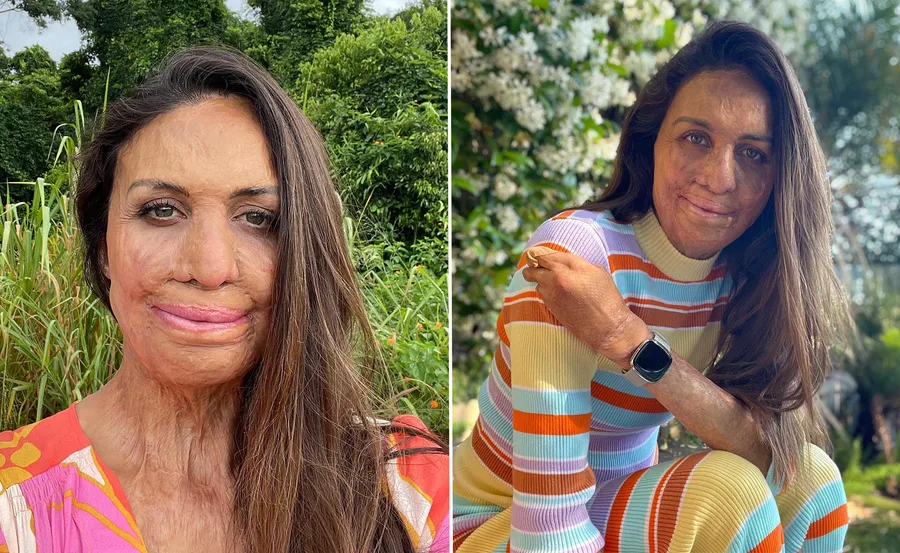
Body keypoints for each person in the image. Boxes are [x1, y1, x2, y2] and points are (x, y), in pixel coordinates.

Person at [0, 47, 449, 553]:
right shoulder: (14, 500)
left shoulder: (407, 487)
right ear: (103, 246)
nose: (210, 268)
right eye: (161, 210)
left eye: (259, 218)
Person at [452, 21, 849, 553]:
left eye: (753, 152)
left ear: (781, 176)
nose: (718, 178)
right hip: (499, 520)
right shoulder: (578, 255)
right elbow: (547, 533)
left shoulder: (745, 280)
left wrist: (628, 339)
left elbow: (768, 453)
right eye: (696, 138)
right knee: (728, 495)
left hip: (611, 507)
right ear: (651, 141)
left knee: (814, 481)